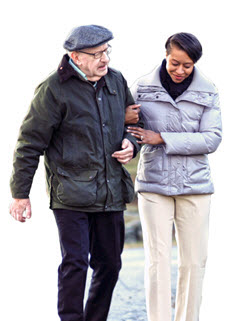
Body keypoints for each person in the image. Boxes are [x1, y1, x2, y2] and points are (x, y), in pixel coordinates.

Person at [9, 25, 142, 321]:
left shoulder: (116, 81)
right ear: (76, 57)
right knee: (76, 263)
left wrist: (131, 145)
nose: (104, 59)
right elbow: (29, 144)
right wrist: (20, 195)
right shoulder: (53, 89)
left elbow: (133, 124)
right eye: (96, 54)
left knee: (110, 265)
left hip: (111, 190)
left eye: (107, 51)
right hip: (70, 194)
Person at [127, 32, 222, 321]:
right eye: (175, 63)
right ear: (165, 55)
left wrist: (162, 138)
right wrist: (125, 123)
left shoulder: (208, 91)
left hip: (195, 187)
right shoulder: (141, 87)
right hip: (153, 184)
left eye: (188, 65)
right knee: (157, 261)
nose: (180, 70)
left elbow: (212, 139)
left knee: (194, 263)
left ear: (195, 64)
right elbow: (126, 130)